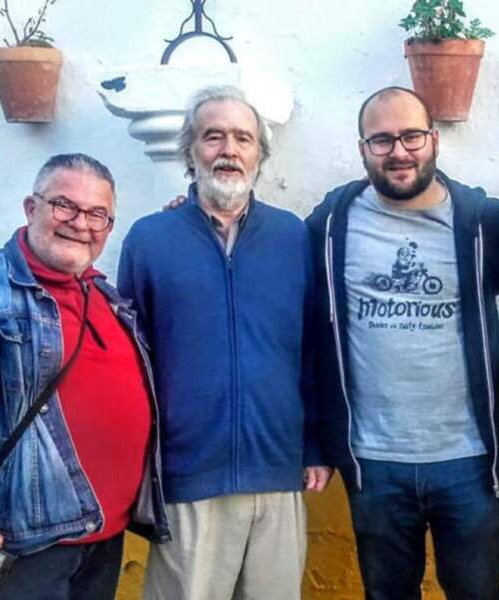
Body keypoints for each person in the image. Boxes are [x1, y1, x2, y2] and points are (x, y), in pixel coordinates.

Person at [118, 86, 331, 600]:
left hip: (278, 474)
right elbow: (131, 360)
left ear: (260, 153)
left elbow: (314, 349)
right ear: (191, 150)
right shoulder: (149, 239)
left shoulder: (292, 237)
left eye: (243, 138)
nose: (228, 150)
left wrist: (317, 445)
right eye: (213, 136)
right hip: (189, 476)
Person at [306, 86, 499, 600]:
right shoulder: (331, 225)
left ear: (434, 140)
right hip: (374, 461)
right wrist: (195, 208)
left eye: (411, 136)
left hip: (467, 459)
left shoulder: (480, 221)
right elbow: (262, 250)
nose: (399, 151)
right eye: (381, 140)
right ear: (363, 150)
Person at [0, 153, 168, 599]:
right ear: (32, 208)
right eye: (64, 205)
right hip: (26, 544)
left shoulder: (106, 295)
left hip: (104, 534)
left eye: (97, 214)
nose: (80, 223)